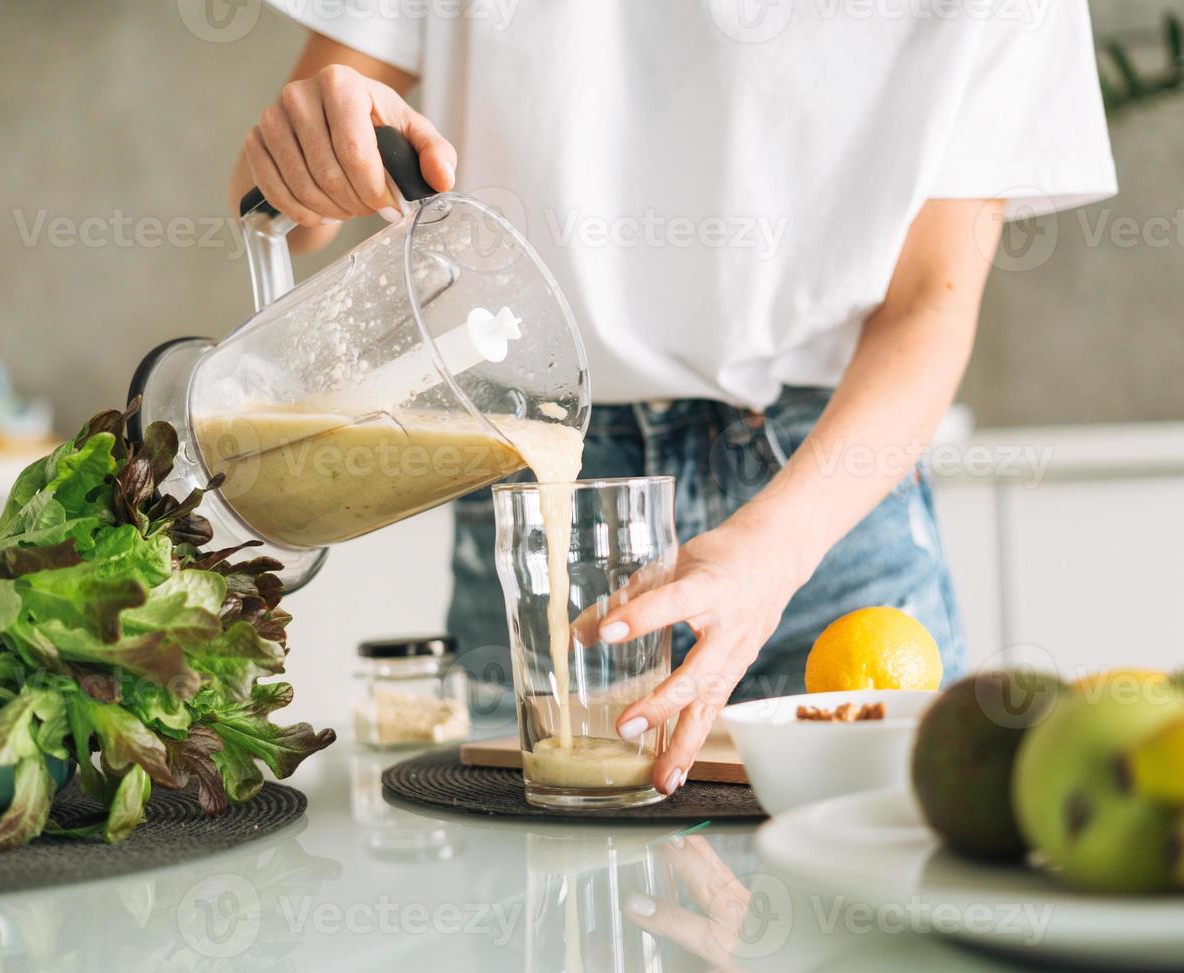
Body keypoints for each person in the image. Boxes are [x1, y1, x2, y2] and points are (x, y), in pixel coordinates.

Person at [231, 1, 1116, 796]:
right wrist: (312, 141)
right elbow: (285, 207)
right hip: (533, 476)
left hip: (822, 506)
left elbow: (932, 302)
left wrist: (775, 551)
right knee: (526, 902)